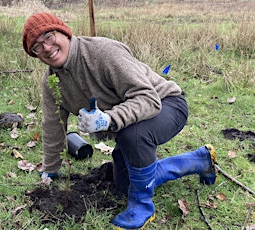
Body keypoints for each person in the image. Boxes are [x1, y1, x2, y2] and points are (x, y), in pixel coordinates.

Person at [22, 12, 217, 229]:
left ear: (63, 32)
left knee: (132, 135)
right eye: (37, 47)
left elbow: (149, 99)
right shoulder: (52, 82)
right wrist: (50, 168)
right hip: (131, 122)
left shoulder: (103, 52)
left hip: (167, 104)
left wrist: (108, 119)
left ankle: (142, 206)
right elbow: (53, 125)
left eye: (49, 37)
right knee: (125, 183)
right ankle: (200, 160)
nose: (46, 48)